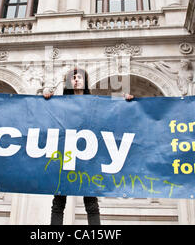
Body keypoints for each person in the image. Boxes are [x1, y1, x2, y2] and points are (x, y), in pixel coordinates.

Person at [44, 67, 133, 225]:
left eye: (79, 77)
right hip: (66, 154)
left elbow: (111, 109)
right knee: (58, 202)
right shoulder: (60, 102)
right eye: (73, 77)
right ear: (68, 82)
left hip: (88, 154)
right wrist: (46, 97)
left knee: (91, 202)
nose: (76, 79)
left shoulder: (95, 102)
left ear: (85, 81)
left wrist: (125, 100)